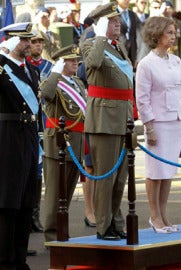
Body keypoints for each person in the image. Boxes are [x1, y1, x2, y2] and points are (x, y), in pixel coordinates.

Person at [0, 23, 40, 269]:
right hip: (7, 139)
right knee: (7, 204)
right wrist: (2, 53)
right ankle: (6, 263)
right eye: (24, 40)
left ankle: (20, 259)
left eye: (30, 40)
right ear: (11, 41)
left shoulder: (29, 69)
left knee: (26, 202)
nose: (29, 45)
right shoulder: (1, 66)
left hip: (27, 137)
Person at [81, 2, 133, 241]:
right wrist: (100, 35)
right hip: (104, 119)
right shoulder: (92, 43)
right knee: (106, 176)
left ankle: (115, 221)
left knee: (120, 177)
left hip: (122, 118)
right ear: (102, 24)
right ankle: (103, 226)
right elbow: (92, 65)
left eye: (117, 22)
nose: (117, 25)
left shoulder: (118, 47)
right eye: (112, 22)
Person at [136, 16, 181, 233]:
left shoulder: (175, 60)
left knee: (168, 172)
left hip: (176, 121)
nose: (174, 36)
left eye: (174, 32)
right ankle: (154, 217)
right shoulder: (146, 64)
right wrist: (148, 126)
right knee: (155, 171)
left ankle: (164, 215)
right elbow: (142, 98)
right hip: (157, 123)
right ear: (156, 35)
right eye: (169, 32)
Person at [41, 44, 85, 242]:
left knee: (67, 191)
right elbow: (47, 95)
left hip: (76, 141)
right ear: (61, 63)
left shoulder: (78, 83)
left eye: (76, 60)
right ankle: (51, 234)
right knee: (54, 193)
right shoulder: (52, 81)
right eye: (71, 60)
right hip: (59, 140)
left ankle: (63, 232)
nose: (75, 63)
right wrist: (55, 73)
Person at [26, 32, 53, 233]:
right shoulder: (23, 66)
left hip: (45, 120)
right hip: (29, 120)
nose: (37, 45)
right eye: (34, 41)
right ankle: (26, 213)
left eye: (40, 41)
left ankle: (35, 214)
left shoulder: (49, 67)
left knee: (40, 170)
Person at [117, 0, 139, 68]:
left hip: (131, 53)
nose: (127, 1)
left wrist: (135, 56)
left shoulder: (132, 14)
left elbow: (134, 35)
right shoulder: (114, 13)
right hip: (119, 51)